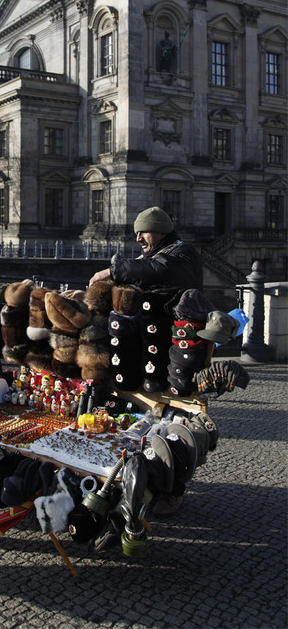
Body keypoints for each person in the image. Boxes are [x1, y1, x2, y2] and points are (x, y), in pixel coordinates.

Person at [90, 205, 203, 518]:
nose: (139, 237)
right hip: (144, 353)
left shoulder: (183, 255)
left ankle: (173, 490)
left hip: (175, 357)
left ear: (162, 231)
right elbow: (143, 271)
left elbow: (155, 271)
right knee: (134, 419)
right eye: (137, 232)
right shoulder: (156, 253)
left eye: (145, 231)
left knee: (173, 425)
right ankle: (132, 478)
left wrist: (113, 271)